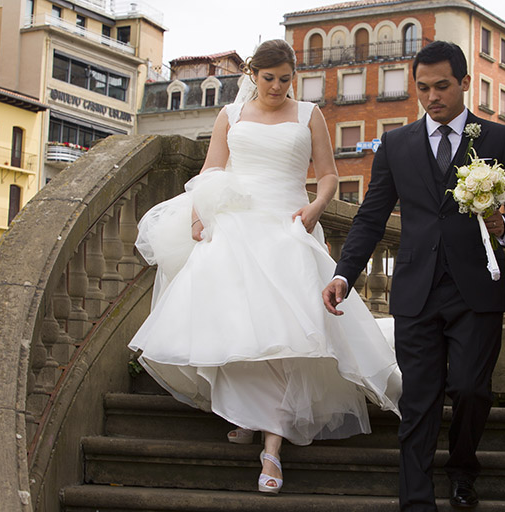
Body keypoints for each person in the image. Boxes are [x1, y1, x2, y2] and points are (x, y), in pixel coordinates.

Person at [129, 39, 401, 495]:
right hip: (235, 225)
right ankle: (248, 412)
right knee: (237, 326)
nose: (277, 86)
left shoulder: (309, 114)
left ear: (294, 77)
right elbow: (212, 171)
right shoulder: (230, 115)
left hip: (288, 227)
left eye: (285, 79)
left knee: (284, 336)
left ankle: (271, 448)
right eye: (269, 78)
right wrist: (198, 217)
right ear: (253, 75)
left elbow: (329, 174)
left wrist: (316, 207)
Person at [322, 41, 505, 510]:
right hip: (416, 290)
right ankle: (416, 501)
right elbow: (371, 217)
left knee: (470, 389)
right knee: (419, 399)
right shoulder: (396, 145)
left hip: (477, 289)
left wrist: (504, 226)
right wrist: (344, 274)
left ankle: (462, 468)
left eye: (442, 86)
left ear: (464, 82)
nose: (432, 96)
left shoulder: (498, 140)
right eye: (423, 88)